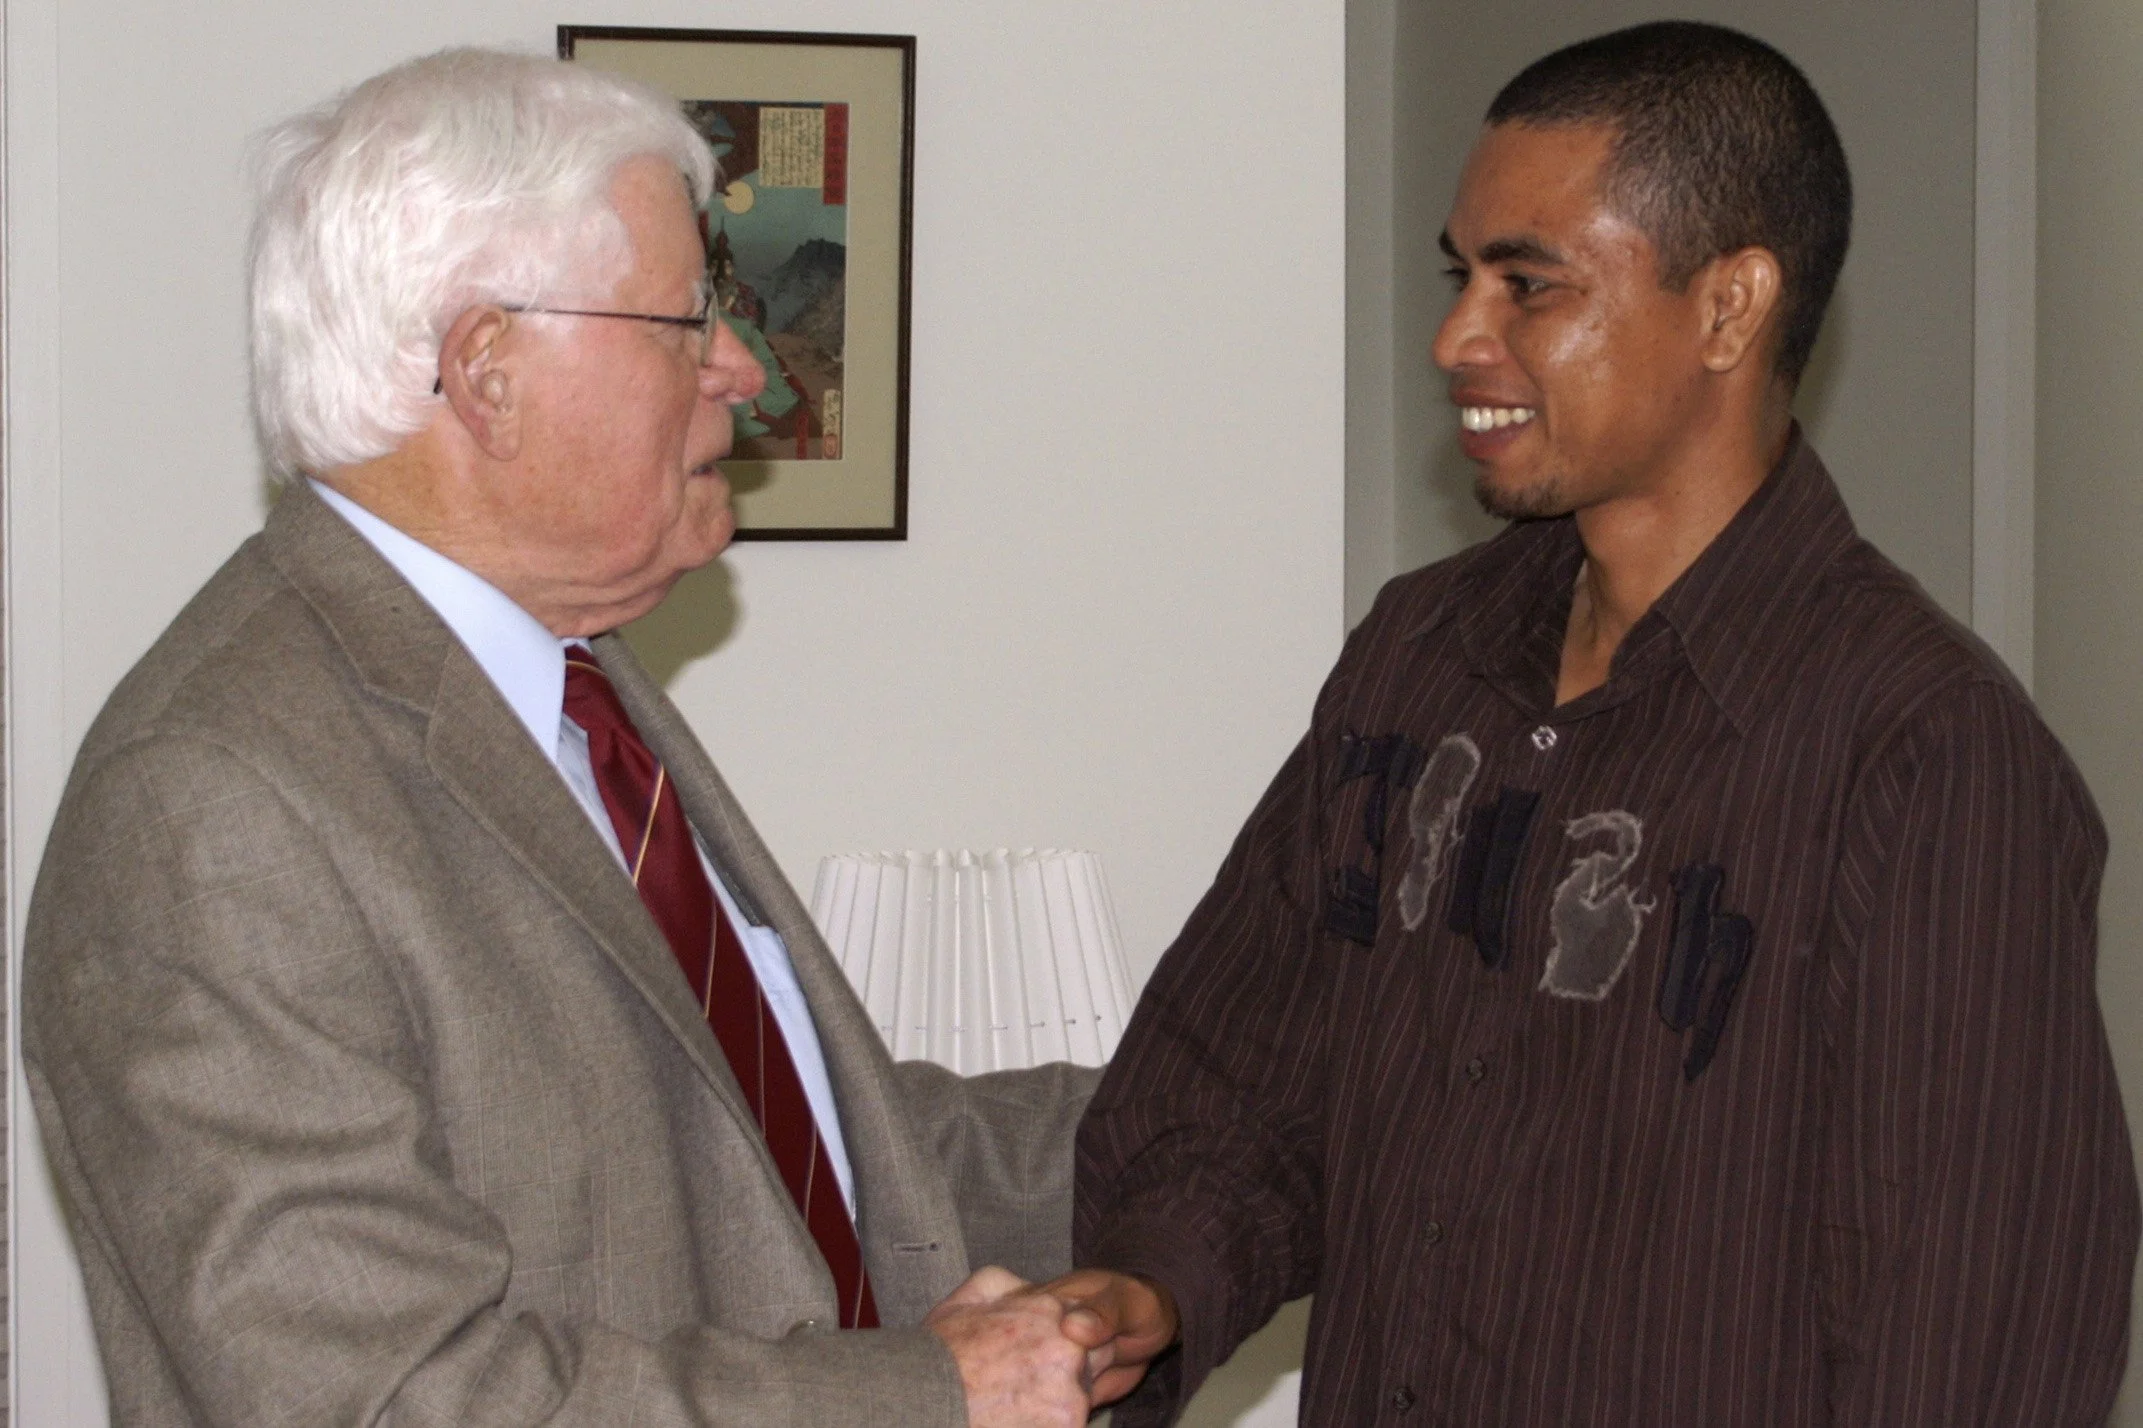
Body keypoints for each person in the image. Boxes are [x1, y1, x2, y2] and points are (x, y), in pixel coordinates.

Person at [1055, 20, 2141, 1423]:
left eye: (1529, 284)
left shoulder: (1923, 754)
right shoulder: (1416, 657)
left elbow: (1972, 1341)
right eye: (1460, 276)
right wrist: (1152, 1284)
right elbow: (1241, 1084)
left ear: (1728, 308)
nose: (1457, 336)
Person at [23, 48, 1107, 1428]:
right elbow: (383, 1395)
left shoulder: (573, 689)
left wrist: (1274, 1110)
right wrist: (925, 1395)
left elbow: (794, 1152)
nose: (745, 371)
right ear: (487, 370)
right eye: (685, 320)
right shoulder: (212, 805)